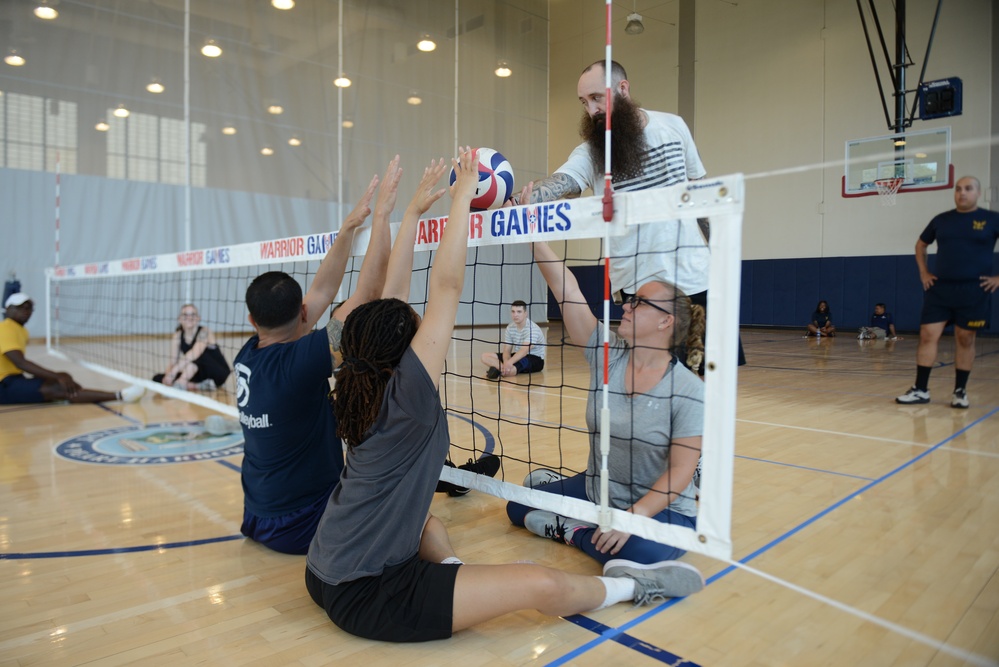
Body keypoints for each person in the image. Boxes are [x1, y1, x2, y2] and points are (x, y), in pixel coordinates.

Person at [305, 149, 704, 644]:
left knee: (427, 525)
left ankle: (455, 570)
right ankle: (630, 586)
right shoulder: (408, 391)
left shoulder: (354, 377)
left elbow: (392, 295)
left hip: (325, 564)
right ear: (404, 345)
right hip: (370, 595)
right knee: (539, 581)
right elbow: (445, 286)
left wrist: (406, 214)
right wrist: (460, 199)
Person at [509, 59, 743, 373]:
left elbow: (701, 200)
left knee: (706, 390)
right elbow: (558, 184)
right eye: (584, 102)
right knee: (651, 388)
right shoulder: (592, 153)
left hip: (694, 281)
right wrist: (519, 199)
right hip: (639, 290)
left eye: (596, 98)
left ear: (623, 89)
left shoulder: (674, 127)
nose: (591, 110)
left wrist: (720, 257)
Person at [505, 214, 705, 569]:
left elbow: (681, 472)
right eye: (630, 299)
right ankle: (578, 514)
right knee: (516, 505)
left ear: (665, 321)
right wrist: (532, 231)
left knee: (642, 555)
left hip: (661, 508)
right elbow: (566, 290)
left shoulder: (689, 390)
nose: (626, 305)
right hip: (598, 491)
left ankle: (571, 530)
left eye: (640, 302)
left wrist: (632, 517)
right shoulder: (606, 352)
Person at [896, 176, 999, 409]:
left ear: (978, 193)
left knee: (965, 339)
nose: (962, 193)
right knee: (927, 335)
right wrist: (924, 272)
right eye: (958, 189)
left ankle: (960, 391)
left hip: (974, 290)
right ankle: (920, 390)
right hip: (940, 289)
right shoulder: (941, 220)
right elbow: (920, 245)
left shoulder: (991, 219)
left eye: (968, 189)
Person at [1, 293, 144, 405]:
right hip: (3, 385)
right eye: (20, 307)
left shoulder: (21, 330)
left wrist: (58, 376)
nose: (26, 311)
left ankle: (67, 394)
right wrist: (56, 376)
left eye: (29, 308)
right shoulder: (6, 328)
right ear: (8, 309)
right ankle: (121, 395)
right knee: (59, 385)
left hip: (13, 379)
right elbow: (20, 363)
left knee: (64, 377)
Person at [153, 304, 231, 390]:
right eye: (185, 315)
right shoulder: (178, 336)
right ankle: (198, 386)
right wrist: (167, 376)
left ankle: (181, 383)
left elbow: (194, 354)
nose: (189, 318)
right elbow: (172, 362)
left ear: (198, 318)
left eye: (193, 314)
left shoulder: (205, 332)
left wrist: (173, 373)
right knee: (157, 378)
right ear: (179, 319)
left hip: (217, 371)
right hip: (196, 371)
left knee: (194, 358)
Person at [480, 300, 546, 380]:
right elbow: (507, 350)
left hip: (534, 359)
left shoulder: (533, 329)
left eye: (519, 312)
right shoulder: (510, 327)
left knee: (511, 371)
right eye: (513, 312)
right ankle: (502, 370)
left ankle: (501, 370)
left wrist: (510, 362)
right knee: (485, 356)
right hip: (517, 355)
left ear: (525, 314)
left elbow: (524, 351)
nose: (515, 315)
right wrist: (506, 361)